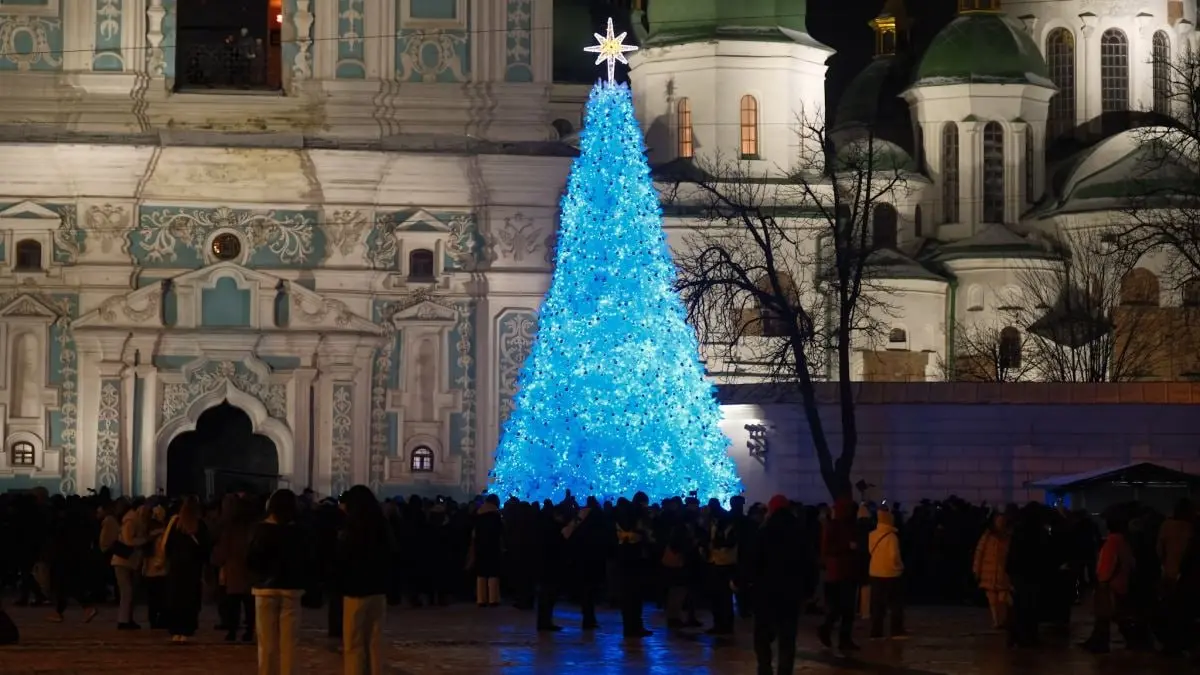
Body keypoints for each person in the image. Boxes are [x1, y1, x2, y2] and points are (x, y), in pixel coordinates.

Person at [248, 489, 310, 675]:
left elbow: (251, 560)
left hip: (265, 590)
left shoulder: (260, 529)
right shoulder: (299, 531)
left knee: (266, 643)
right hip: (291, 589)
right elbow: (307, 559)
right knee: (290, 643)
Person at [337, 485, 395, 675]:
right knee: (375, 640)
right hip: (378, 589)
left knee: (354, 642)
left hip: (355, 590)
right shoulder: (382, 526)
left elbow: (343, 558)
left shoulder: (351, 528)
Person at [749, 495, 808, 675]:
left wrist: (749, 582)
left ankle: (765, 668)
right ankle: (784, 671)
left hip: (766, 591)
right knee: (787, 638)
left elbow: (755, 561)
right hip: (791, 592)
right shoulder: (799, 531)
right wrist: (808, 588)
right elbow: (807, 562)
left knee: (763, 635)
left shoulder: (764, 531)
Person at [1080, 515, 1135, 654]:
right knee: (1113, 614)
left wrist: (1103, 581)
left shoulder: (1112, 541)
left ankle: (1100, 642)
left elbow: (1108, 564)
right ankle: (1100, 640)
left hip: (1110, 583)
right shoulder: (1123, 541)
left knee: (1107, 614)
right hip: (1120, 582)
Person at [163, 496, 209, 643]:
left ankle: (175, 630)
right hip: (193, 567)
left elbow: (167, 545)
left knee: (176, 598)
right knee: (190, 599)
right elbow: (205, 547)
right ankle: (187, 630)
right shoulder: (199, 525)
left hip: (177, 566)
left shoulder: (176, 523)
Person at [818, 497, 860, 655]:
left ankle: (842, 638)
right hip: (839, 572)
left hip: (845, 570)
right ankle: (829, 631)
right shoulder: (835, 526)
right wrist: (848, 546)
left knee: (846, 609)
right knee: (841, 607)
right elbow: (828, 549)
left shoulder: (845, 525)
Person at [213, 497, 256, 642]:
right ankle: (249, 630)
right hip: (249, 569)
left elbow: (223, 549)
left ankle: (232, 630)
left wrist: (218, 560)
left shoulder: (229, 528)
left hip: (234, 568)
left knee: (233, 602)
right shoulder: (252, 527)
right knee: (249, 603)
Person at [867, 508, 905, 639]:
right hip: (890, 573)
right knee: (895, 603)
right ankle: (896, 630)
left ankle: (876, 632)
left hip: (875, 572)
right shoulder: (892, 537)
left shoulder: (872, 535)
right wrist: (899, 566)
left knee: (877, 604)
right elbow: (894, 555)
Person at [112, 502, 149, 630]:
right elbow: (129, 541)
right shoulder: (131, 521)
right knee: (127, 591)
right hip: (125, 560)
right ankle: (124, 619)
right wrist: (145, 540)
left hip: (126, 560)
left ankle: (126, 618)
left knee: (128, 592)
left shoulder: (131, 520)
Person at [973, 513, 1012, 629]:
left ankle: (1002, 620)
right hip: (988, 572)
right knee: (992, 600)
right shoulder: (987, 536)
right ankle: (997, 621)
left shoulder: (1008, 536)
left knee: (1002, 598)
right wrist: (976, 570)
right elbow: (979, 553)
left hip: (1002, 572)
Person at [470, 495, 504, 608]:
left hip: (480, 547)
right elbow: (501, 533)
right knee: (493, 573)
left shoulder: (478, 515)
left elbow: (474, 533)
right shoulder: (496, 516)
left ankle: (481, 599)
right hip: (493, 547)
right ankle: (493, 599)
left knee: (481, 573)